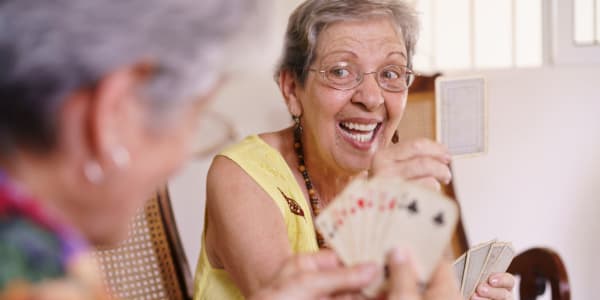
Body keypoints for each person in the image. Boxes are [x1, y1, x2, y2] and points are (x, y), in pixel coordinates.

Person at [0, 0, 464, 299]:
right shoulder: (38, 280)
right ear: (112, 115)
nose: (183, 155)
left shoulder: (54, 252)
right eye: (194, 117)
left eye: (390, 74)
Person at [195, 0, 515, 299]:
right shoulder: (240, 175)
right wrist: (374, 211)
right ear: (292, 89)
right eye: (341, 71)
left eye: (390, 74)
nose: (372, 97)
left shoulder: (396, 180)